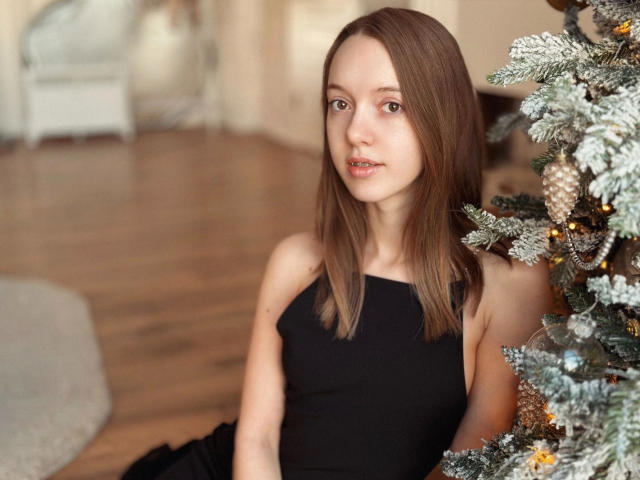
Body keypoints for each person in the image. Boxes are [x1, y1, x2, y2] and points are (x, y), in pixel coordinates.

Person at [121, 7, 553, 480]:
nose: (354, 133)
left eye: (391, 105)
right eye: (339, 103)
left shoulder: (504, 283)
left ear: (442, 117)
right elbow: (257, 437)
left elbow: (478, 450)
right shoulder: (296, 262)